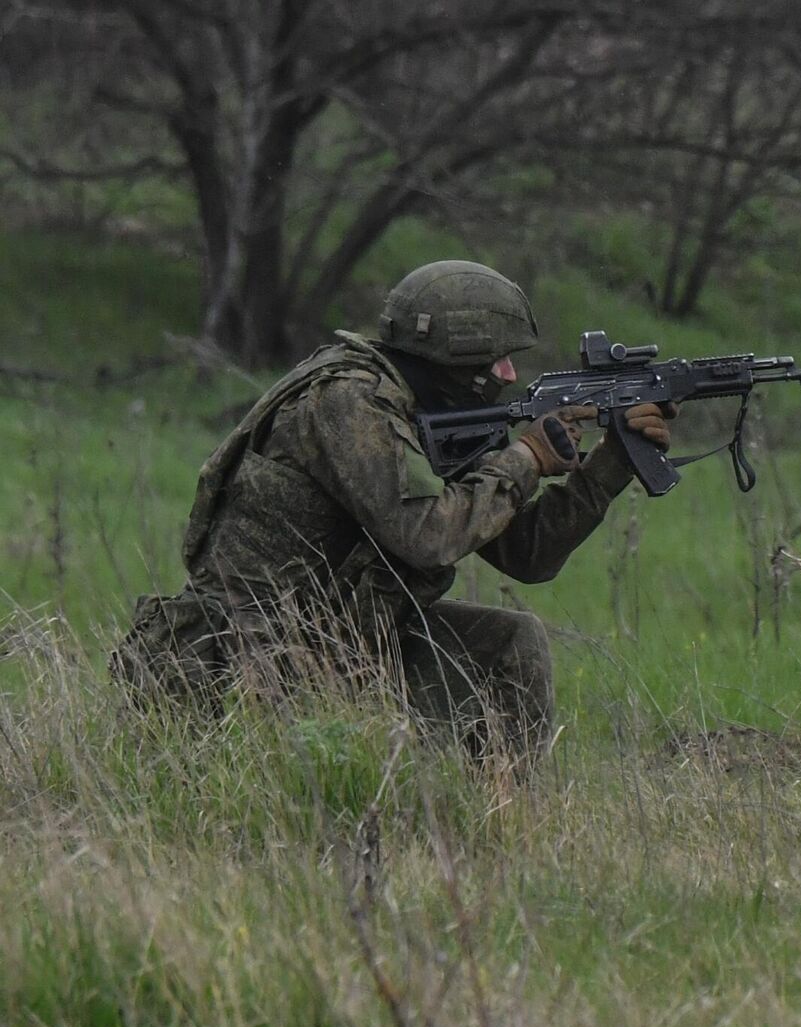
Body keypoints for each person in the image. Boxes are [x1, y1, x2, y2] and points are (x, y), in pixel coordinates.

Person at [110, 260, 673, 767]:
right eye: (496, 359)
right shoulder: (347, 401)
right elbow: (425, 536)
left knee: (511, 644)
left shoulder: (428, 409)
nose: (507, 375)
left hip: (337, 645)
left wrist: (612, 461)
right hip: (251, 664)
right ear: (456, 356)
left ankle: (504, 828)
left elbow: (528, 555)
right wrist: (524, 460)